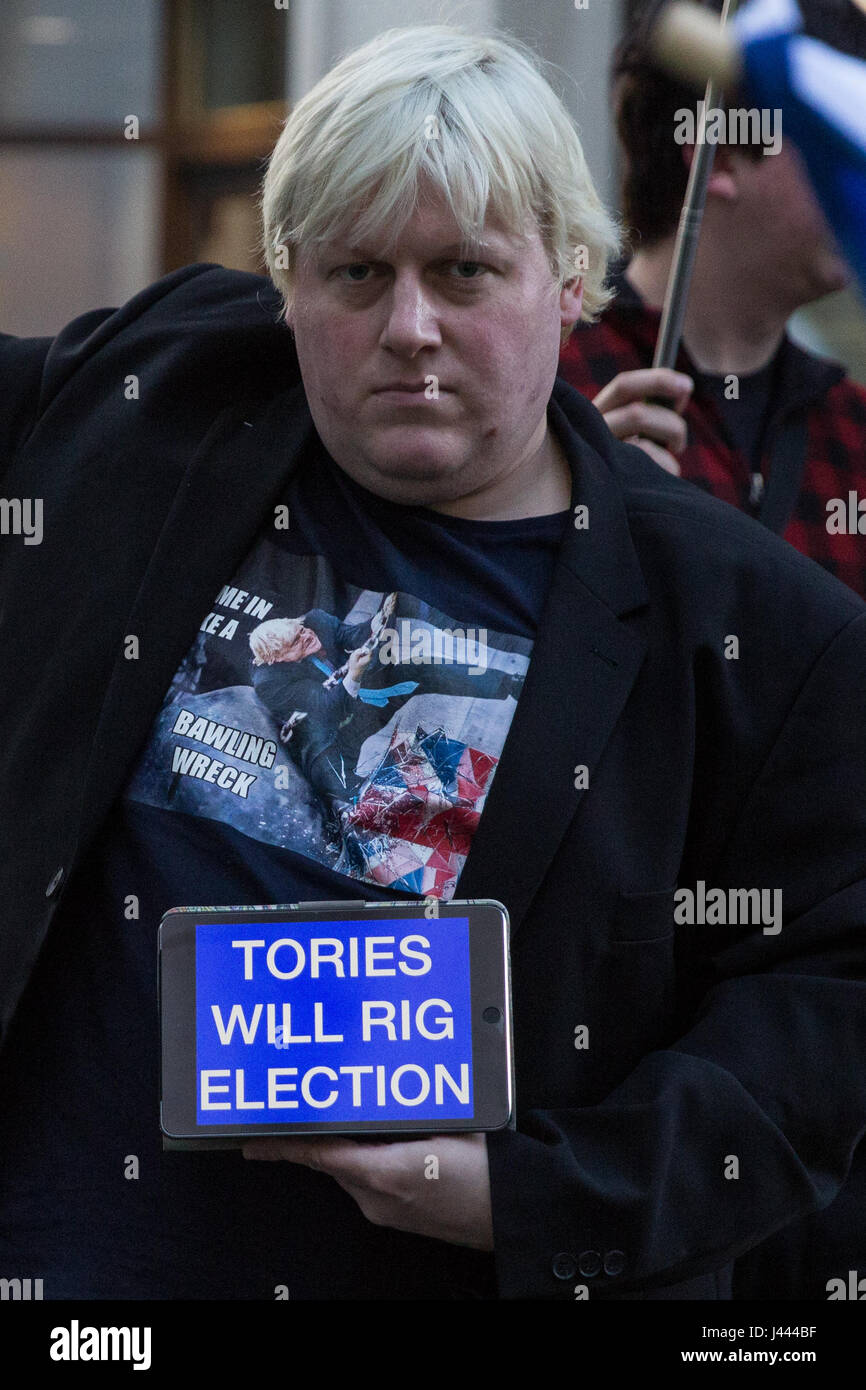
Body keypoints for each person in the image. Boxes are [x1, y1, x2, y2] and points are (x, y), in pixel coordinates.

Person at [1, 22, 865, 1302]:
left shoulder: (752, 634)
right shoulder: (161, 399)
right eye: (355, 275)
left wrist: (524, 1195)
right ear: (286, 280)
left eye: (464, 271)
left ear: (570, 281)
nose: (409, 326)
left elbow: (822, 1025)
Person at [563, 0, 866, 600]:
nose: (853, 177)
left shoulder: (854, 429)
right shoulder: (542, 375)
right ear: (721, 153)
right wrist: (559, 506)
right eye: (828, 140)